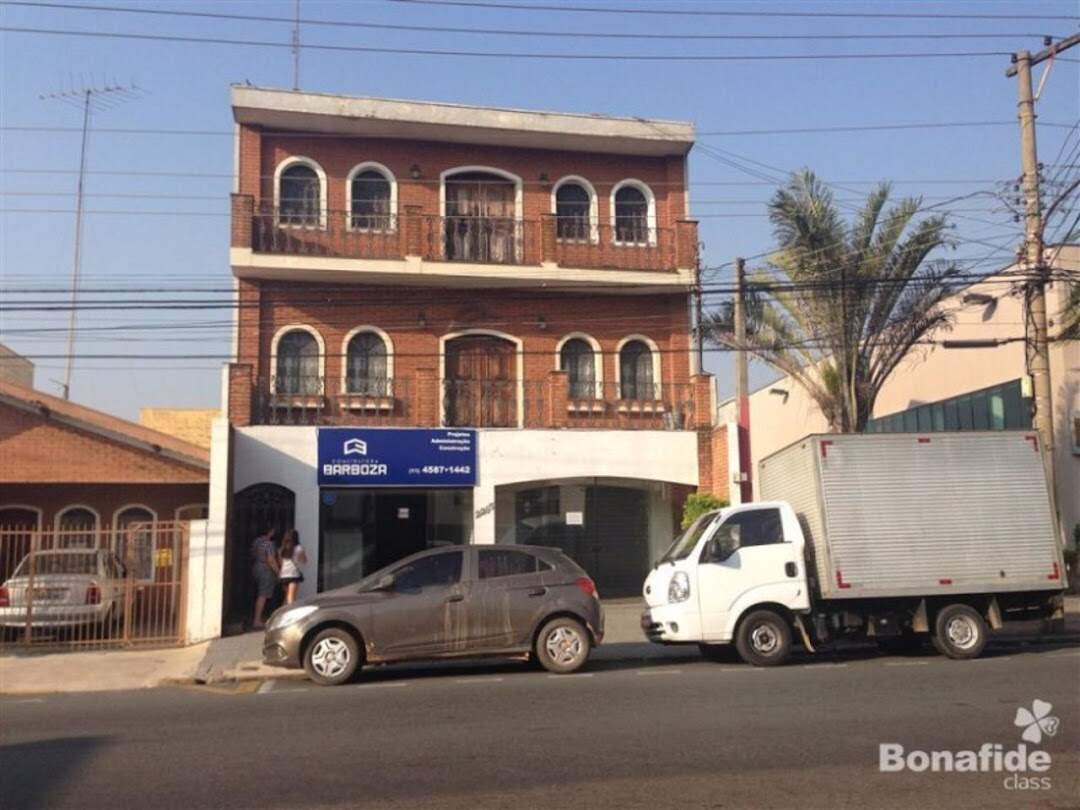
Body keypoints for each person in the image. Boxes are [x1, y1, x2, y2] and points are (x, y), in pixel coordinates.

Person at [251, 526, 279, 629]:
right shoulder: (269, 543)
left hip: (256, 567)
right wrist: (278, 572)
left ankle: (258, 618)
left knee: (260, 593)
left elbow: (253, 554)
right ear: (270, 531)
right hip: (265, 570)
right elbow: (270, 559)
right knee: (263, 595)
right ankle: (257, 620)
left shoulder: (256, 542)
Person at [278, 529, 308, 606]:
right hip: (293, 575)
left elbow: (280, 562)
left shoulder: (282, 549)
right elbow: (304, 561)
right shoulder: (299, 548)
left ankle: (280, 615)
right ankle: (291, 615)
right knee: (291, 597)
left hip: (283, 575)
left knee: (287, 596)